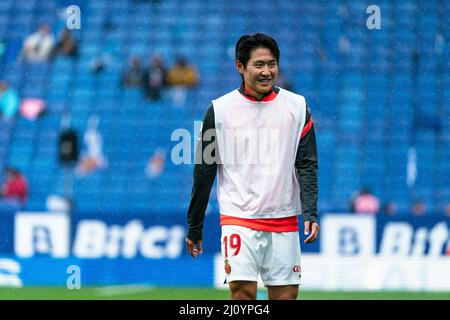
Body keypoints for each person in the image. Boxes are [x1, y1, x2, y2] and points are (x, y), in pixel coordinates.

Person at [186, 33, 319, 300]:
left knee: (285, 297)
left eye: (272, 64)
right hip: (239, 218)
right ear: (240, 66)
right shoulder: (219, 110)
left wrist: (310, 212)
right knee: (243, 296)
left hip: (283, 219)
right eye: (259, 65)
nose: (267, 71)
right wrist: (195, 225)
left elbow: (306, 163)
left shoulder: (298, 106)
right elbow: (204, 171)